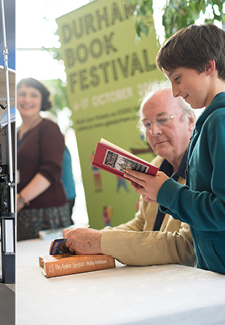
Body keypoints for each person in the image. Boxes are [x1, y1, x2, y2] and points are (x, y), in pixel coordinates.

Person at [124, 23, 225, 283]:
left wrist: (167, 191)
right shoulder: (218, 118)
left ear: (209, 67)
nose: (175, 91)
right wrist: (162, 195)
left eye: (177, 78)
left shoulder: (224, 120)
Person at [64, 85, 196, 267]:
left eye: (163, 120)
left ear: (190, 120)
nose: (154, 132)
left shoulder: (201, 168)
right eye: (147, 124)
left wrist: (100, 241)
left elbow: (185, 248)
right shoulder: (157, 165)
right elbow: (142, 224)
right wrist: (94, 237)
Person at [15, 77, 70, 241]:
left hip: (46, 213)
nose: (27, 100)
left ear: (42, 100)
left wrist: (20, 199)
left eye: (33, 95)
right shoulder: (13, 132)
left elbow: (51, 170)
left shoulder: (49, 128)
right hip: (20, 213)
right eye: (22, 94)